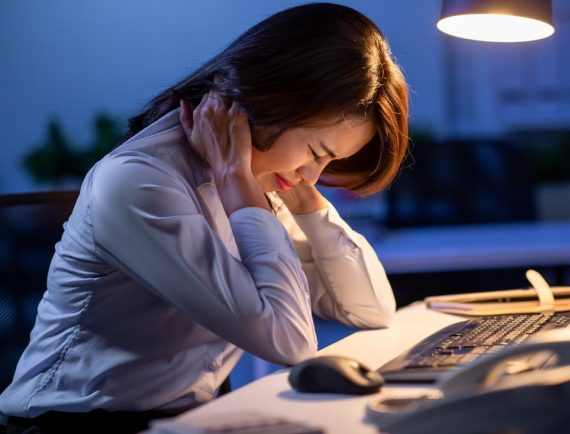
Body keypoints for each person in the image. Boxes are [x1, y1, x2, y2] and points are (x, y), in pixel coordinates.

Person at [0, 3, 409, 433]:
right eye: (316, 152)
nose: (313, 174)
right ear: (272, 100)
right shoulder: (140, 183)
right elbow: (288, 341)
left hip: (191, 417)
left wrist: (304, 195)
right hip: (77, 426)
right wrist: (237, 180)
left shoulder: (258, 177)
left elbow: (371, 309)